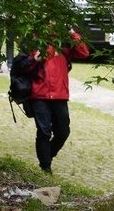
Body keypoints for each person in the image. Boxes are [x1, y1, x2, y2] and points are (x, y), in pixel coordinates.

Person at [25, 27, 90, 173]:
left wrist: (72, 33)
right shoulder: (34, 42)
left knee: (63, 131)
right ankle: (45, 166)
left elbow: (84, 52)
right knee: (44, 132)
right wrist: (37, 58)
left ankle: (48, 155)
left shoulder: (65, 45)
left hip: (59, 95)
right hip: (39, 94)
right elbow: (24, 66)